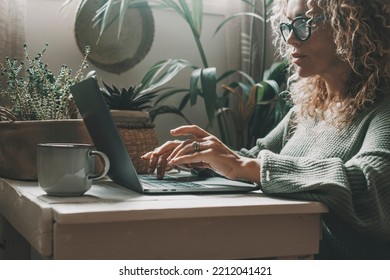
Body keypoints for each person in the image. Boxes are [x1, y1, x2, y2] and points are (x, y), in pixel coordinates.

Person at [141, 0, 390, 259]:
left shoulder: (383, 108)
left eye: (304, 23)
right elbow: (255, 157)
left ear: (350, 27)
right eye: (287, 26)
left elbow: (372, 189)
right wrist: (204, 158)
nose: (291, 39)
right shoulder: (306, 110)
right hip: (285, 250)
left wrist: (245, 166)